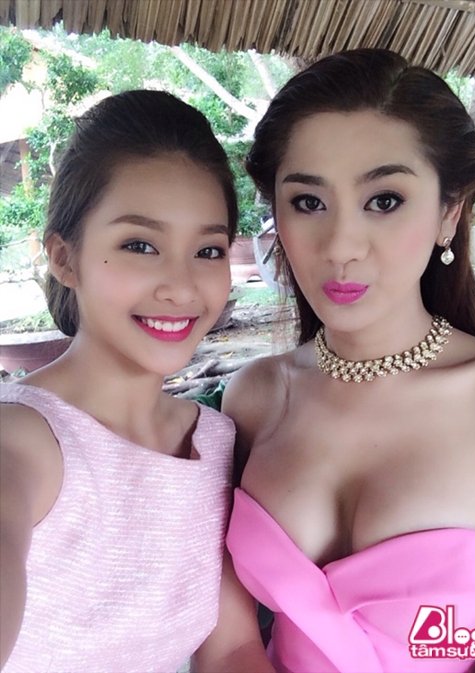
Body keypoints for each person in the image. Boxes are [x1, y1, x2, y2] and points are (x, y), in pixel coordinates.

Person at [223, 50, 475, 673]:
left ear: (450, 212)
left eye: (384, 200)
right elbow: (231, 644)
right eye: (308, 202)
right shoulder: (254, 398)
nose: (341, 247)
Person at [0, 90, 273, 673]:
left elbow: (233, 649)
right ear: (64, 258)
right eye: (140, 245)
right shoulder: (22, 440)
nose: (181, 286)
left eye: (208, 250)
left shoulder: (217, 442)